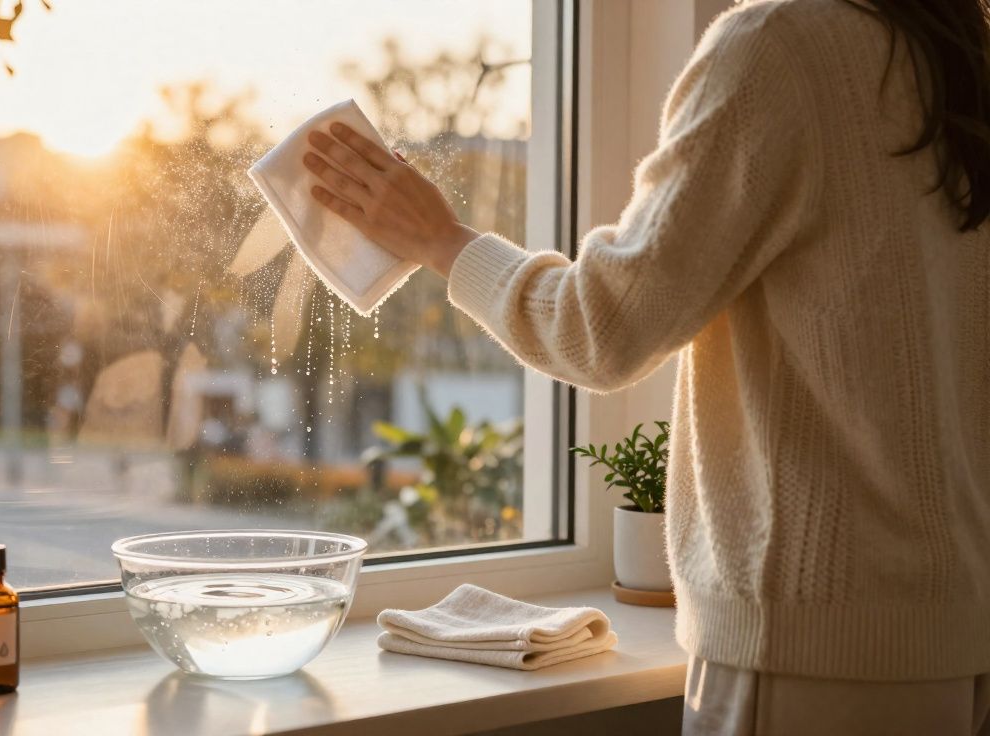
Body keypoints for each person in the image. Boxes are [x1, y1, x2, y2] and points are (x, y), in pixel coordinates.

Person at [301, 0, 990, 733]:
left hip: (810, 658)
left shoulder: (778, 48)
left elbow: (602, 329)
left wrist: (441, 241)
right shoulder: (959, 59)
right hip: (953, 643)